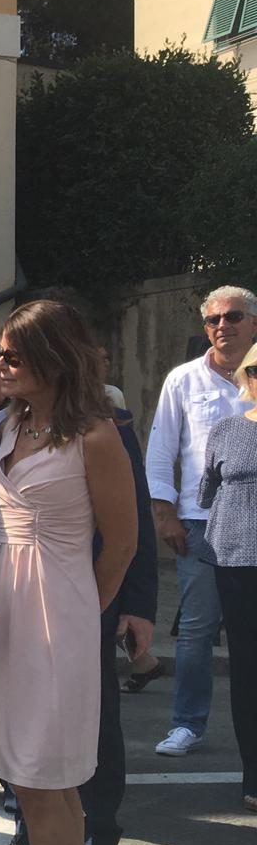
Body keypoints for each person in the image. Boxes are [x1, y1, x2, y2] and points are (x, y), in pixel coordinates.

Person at [0, 301, 136, 845]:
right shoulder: (13, 423)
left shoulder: (95, 435)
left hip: (58, 616)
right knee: (39, 785)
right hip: (5, 613)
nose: (0, 365)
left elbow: (124, 542)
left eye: (12, 355)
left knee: (47, 787)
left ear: (51, 358)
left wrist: (82, 617)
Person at [144, 286, 257, 756]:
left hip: (253, 525)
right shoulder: (184, 380)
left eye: (233, 317)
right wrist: (164, 510)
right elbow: (161, 450)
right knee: (196, 630)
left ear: (254, 322)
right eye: (212, 320)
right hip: (200, 525)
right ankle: (187, 723)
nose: (222, 326)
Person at [198, 339, 257, 814]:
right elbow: (206, 491)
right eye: (255, 373)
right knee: (247, 668)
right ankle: (253, 774)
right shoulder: (225, 430)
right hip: (235, 562)